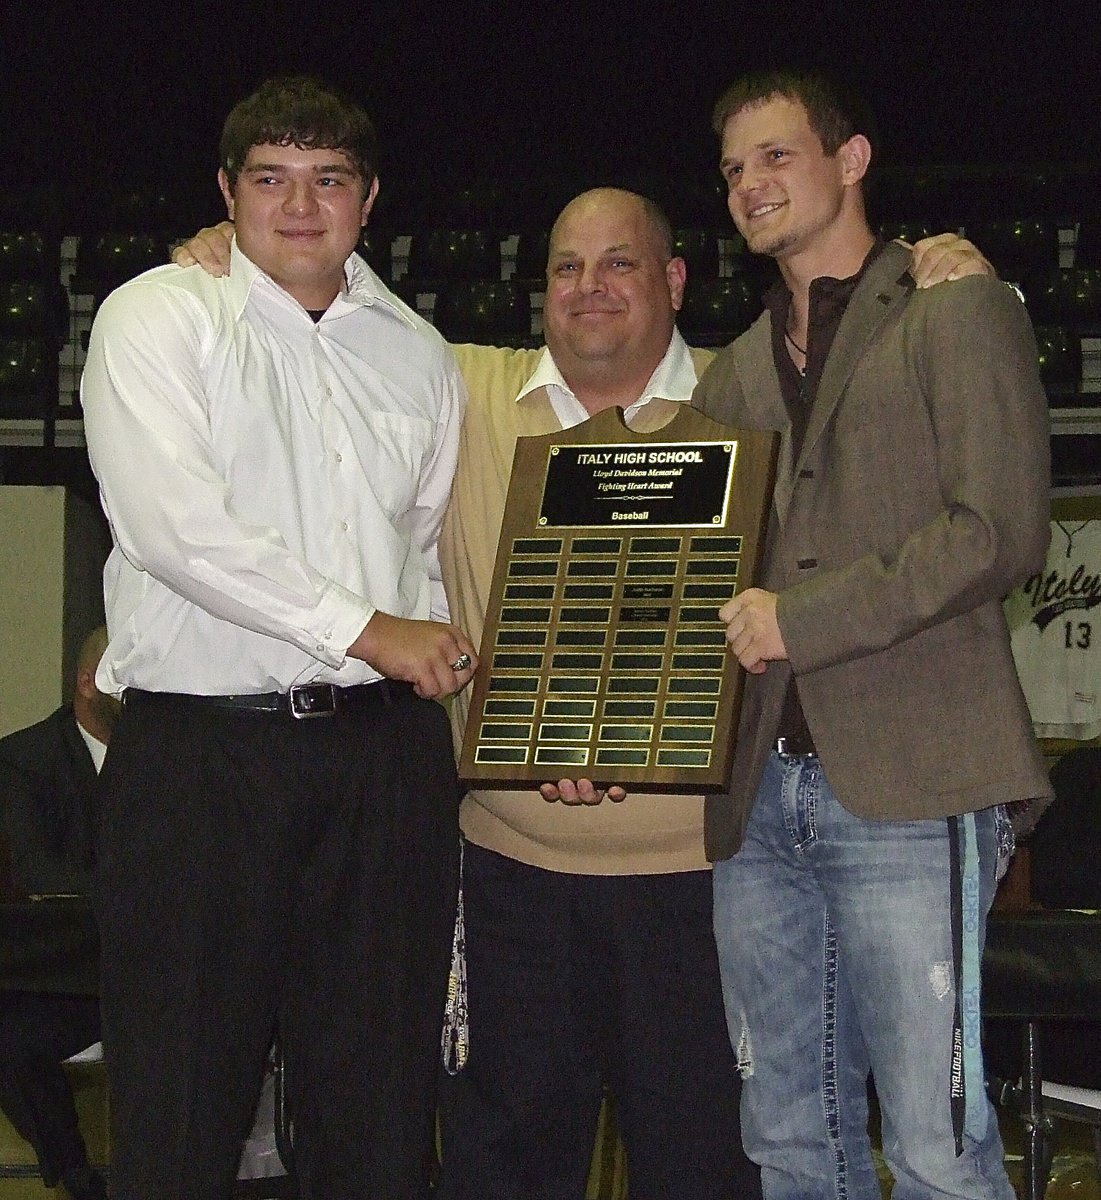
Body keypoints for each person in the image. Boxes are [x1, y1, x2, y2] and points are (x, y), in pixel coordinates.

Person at [174, 192, 991, 1198]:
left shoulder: (749, 399)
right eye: (566, 268)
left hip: (704, 878)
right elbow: (340, 303)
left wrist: (929, 268)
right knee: (503, 1164)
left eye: (620, 265)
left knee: (706, 1166)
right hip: (512, 876)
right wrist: (241, 251)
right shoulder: (463, 389)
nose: (588, 289)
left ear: (675, 279)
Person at [80, 76, 476, 1200]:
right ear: (227, 191)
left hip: (381, 761)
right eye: (269, 178)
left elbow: (417, 540)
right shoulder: (158, 313)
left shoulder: (420, 352)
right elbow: (173, 530)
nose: (299, 206)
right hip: (204, 761)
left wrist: (391, 643)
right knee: (179, 1104)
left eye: (328, 179)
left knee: (378, 1108)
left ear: (369, 199)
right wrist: (367, 629)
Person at [692, 70, 1053, 1200]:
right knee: (789, 1138)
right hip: (757, 801)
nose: (751, 184)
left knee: (942, 1147)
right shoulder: (732, 371)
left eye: (776, 156)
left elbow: (997, 533)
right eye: (733, 169)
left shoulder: (958, 307)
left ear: (851, 161)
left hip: (914, 777)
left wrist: (801, 620)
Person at [0, 626, 117, 1200]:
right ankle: (74, 1173)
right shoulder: (24, 760)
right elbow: (34, 872)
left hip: (162, 970)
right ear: (88, 681)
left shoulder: (175, 768)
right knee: (8, 1028)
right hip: (68, 972)